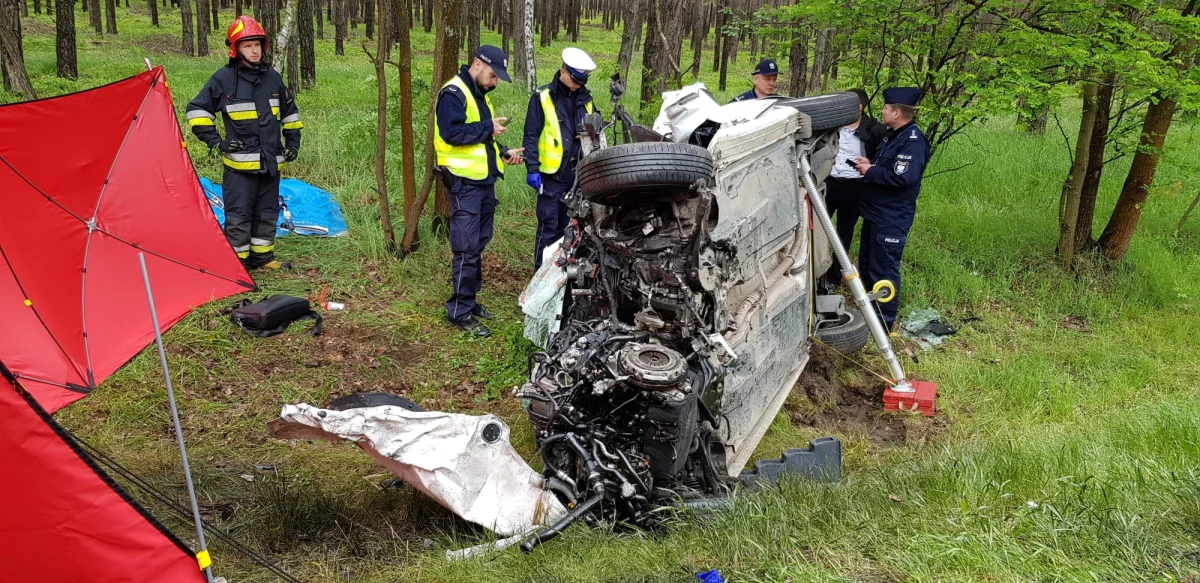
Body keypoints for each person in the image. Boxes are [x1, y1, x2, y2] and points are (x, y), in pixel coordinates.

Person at [186, 16, 301, 271]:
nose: (254, 50)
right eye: (248, 45)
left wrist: (293, 142)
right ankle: (237, 265)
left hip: (270, 163)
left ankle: (263, 258)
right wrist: (216, 142)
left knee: (267, 212)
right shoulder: (223, 79)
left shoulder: (273, 78)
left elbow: (290, 112)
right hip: (239, 168)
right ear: (235, 49)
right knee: (239, 216)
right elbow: (196, 111)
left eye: (258, 44)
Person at [435, 45, 525, 337]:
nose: (495, 81)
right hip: (464, 184)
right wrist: (487, 127)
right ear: (477, 64)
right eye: (493, 75)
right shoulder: (453, 93)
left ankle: (470, 301)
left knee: (479, 242)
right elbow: (452, 134)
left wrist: (502, 152)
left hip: (483, 182)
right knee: (466, 248)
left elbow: (479, 139)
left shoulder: (478, 95)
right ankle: (459, 312)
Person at [853, 87, 929, 331]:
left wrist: (872, 171)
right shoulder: (892, 135)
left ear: (897, 112)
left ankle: (884, 324)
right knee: (866, 266)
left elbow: (903, 178)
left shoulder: (913, 141)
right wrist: (870, 164)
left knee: (883, 270)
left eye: (886, 108)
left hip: (891, 218)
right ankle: (869, 316)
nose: (883, 111)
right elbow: (889, 167)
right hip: (875, 213)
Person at [523, 47, 597, 270]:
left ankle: (564, 276)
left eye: (582, 81)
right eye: (575, 79)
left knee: (572, 229)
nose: (578, 85)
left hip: (577, 176)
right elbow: (531, 134)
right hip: (550, 176)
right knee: (548, 227)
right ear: (563, 71)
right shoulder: (543, 97)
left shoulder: (586, 98)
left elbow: (597, 127)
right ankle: (539, 277)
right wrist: (532, 168)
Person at [820, 88, 888, 291]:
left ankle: (832, 278)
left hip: (854, 187)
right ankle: (813, 269)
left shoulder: (874, 129)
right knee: (818, 229)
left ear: (858, 107)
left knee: (843, 234)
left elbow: (881, 157)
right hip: (829, 183)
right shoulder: (833, 126)